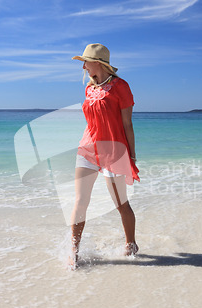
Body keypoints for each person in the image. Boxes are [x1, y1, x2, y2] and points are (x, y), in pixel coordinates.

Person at [69, 43, 140, 269]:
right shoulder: (89, 89)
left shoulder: (122, 87)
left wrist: (132, 155)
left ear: (98, 63)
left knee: (121, 203)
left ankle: (131, 244)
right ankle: (74, 252)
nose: (83, 67)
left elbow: (127, 123)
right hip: (88, 149)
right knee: (80, 202)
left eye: (85, 62)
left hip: (115, 150)